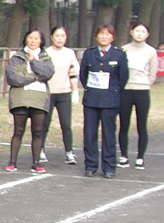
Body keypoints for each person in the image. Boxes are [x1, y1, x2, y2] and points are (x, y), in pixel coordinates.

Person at [80, 24, 128, 177]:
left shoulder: (119, 54)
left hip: (110, 99)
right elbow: (83, 75)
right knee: (89, 134)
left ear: (112, 37)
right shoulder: (89, 53)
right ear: (96, 36)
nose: (104, 37)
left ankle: (109, 167)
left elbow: (123, 77)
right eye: (101, 34)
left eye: (108, 34)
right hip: (92, 99)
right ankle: (91, 165)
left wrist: (112, 91)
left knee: (108, 134)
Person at [5, 29, 54, 172]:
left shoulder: (45, 57)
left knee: (38, 131)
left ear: (41, 41)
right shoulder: (17, 57)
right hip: (20, 98)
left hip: (39, 98)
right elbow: (13, 77)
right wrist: (33, 77)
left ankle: (36, 162)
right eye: (30, 38)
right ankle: (12, 161)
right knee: (18, 130)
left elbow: (47, 73)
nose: (33, 41)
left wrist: (33, 61)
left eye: (36, 38)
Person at [117, 21, 157, 169]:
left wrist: (145, 84)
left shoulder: (151, 51)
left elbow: (153, 73)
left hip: (142, 91)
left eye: (143, 31)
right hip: (126, 91)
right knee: (124, 125)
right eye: (137, 31)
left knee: (142, 125)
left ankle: (140, 157)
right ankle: (124, 156)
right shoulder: (123, 50)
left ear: (147, 34)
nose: (139, 34)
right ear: (131, 32)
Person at [45, 24, 80, 165]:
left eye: (62, 36)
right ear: (52, 37)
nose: (60, 39)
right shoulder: (46, 52)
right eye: (57, 36)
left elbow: (73, 73)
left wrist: (75, 91)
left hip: (64, 93)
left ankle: (69, 152)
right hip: (48, 93)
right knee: (44, 124)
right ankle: (40, 150)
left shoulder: (70, 53)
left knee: (66, 124)